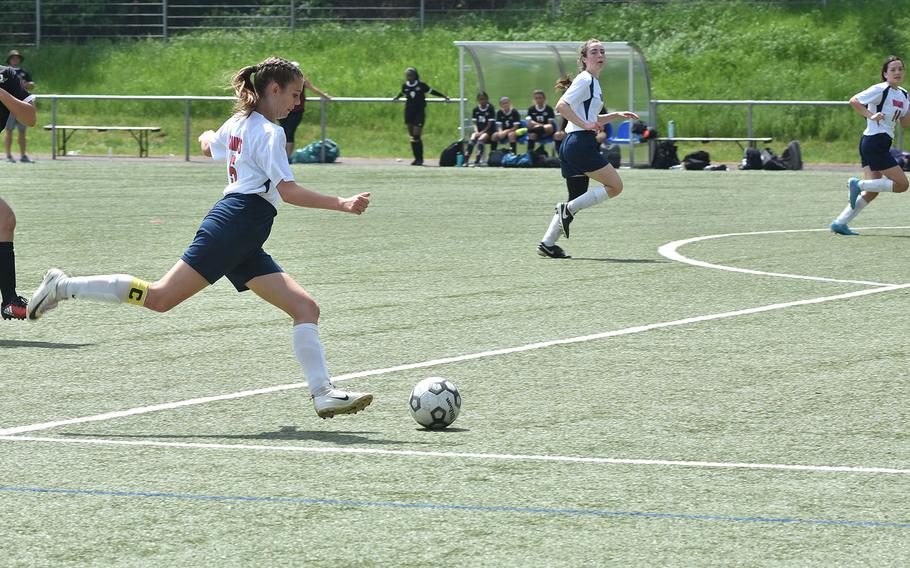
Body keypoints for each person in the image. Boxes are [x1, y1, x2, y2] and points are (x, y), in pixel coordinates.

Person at [27, 57, 374, 419]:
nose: (298, 103)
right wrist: (342, 203)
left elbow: (212, 146)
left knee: (305, 308)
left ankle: (323, 394)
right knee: (160, 297)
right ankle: (63, 286)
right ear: (274, 89)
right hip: (237, 224)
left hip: (245, 231)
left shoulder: (240, 122)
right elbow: (288, 192)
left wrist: (207, 136)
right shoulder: (271, 134)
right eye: (295, 94)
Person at [537, 39, 639, 259]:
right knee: (615, 186)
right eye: (594, 51)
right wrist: (585, 125)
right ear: (584, 58)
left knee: (576, 197)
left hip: (572, 145)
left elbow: (590, 117)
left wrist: (616, 115)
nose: (600, 54)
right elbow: (561, 106)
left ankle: (547, 243)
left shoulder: (592, 81)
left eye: (602, 51)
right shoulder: (585, 79)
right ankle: (566, 210)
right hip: (580, 144)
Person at [829, 55, 910, 236]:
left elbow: (905, 123)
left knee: (872, 190)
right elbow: (854, 100)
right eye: (893, 69)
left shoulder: (903, 94)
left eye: (900, 69)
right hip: (875, 142)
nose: (897, 72)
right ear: (885, 74)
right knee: (903, 184)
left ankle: (839, 223)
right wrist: (870, 115)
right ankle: (859, 184)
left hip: (874, 143)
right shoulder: (881, 89)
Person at [0, 64, 36, 320]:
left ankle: (10, 300)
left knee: (4, 221)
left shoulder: (6, 76)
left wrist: (1, 94)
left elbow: (30, 118)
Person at [392, 67, 448, 166]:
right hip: (409, 112)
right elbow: (403, 93)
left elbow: (432, 91)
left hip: (419, 112)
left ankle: (420, 158)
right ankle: (416, 158)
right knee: (412, 136)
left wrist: (443, 96)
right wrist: (397, 97)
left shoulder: (421, 85)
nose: (408, 77)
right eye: (407, 75)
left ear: (415, 75)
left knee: (416, 134)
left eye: (410, 75)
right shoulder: (405, 86)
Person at [278, 61, 331, 161]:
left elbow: (313, 89)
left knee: (289, 133)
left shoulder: (302, 80)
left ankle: (287, 158)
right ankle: (282, 157)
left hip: (296, 110)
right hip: (284, 109)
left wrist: (325, 96)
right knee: (282, 132)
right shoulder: (284, 80)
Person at [4, 50, 35, 164]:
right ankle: (8, 155)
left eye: (17, 58)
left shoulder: (24, 72)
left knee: (22, 132)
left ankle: (23, 155)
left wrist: (22, 84)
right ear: (9, 59)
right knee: (9, 130)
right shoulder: (5, 72)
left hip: (22, 105)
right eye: (13, 58)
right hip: (9, 105)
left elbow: (31, 85)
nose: (15, 60)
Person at [464, 91, 495, 166]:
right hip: (478, 131)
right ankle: (466, 160)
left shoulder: (490, 108)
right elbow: (474, 123)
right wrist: (476, 131)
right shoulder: (476, 109)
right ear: (478, 100)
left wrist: (481, 132)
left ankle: (477, 161)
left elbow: (489, 124)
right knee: (472, 139)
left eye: (484, 99)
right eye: (480, 99)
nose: (482, 101)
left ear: (487, 99)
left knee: (480, 140)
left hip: (488, 131)